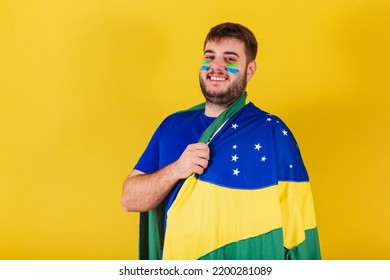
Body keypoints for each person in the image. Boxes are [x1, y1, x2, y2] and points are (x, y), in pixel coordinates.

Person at [121, 22, 321, 260]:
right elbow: (129, 199)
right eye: (210, 57)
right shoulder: (172, 125)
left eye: (230, 59)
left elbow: (300, 225)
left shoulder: (271, 131)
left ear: (250, 69)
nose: (216, 66)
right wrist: (177, 169)